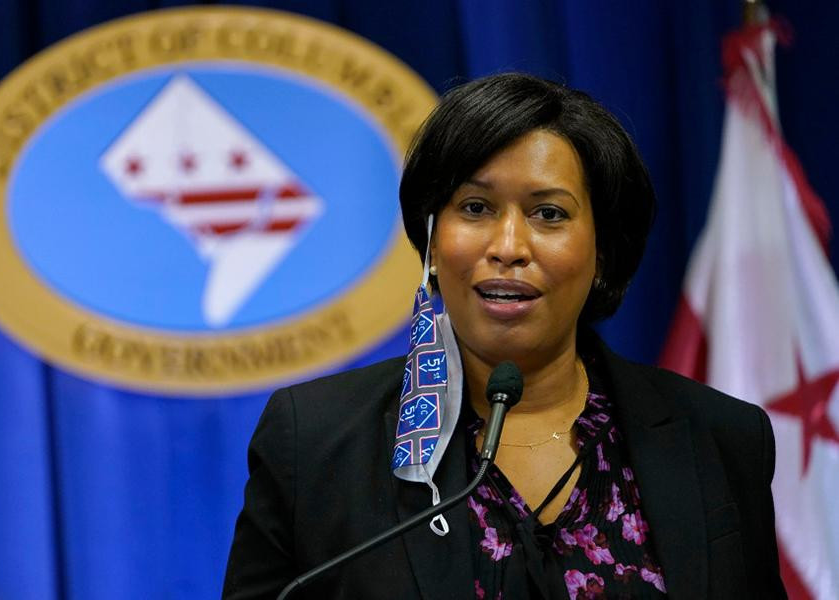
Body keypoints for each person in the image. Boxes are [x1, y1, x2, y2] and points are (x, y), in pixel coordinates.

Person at [222, 73, 786, 599]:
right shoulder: (314, 444)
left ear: (602, 252)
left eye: (549, 214)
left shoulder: (721, 438)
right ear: (432, 242)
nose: (509, 246)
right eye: (475, 208)